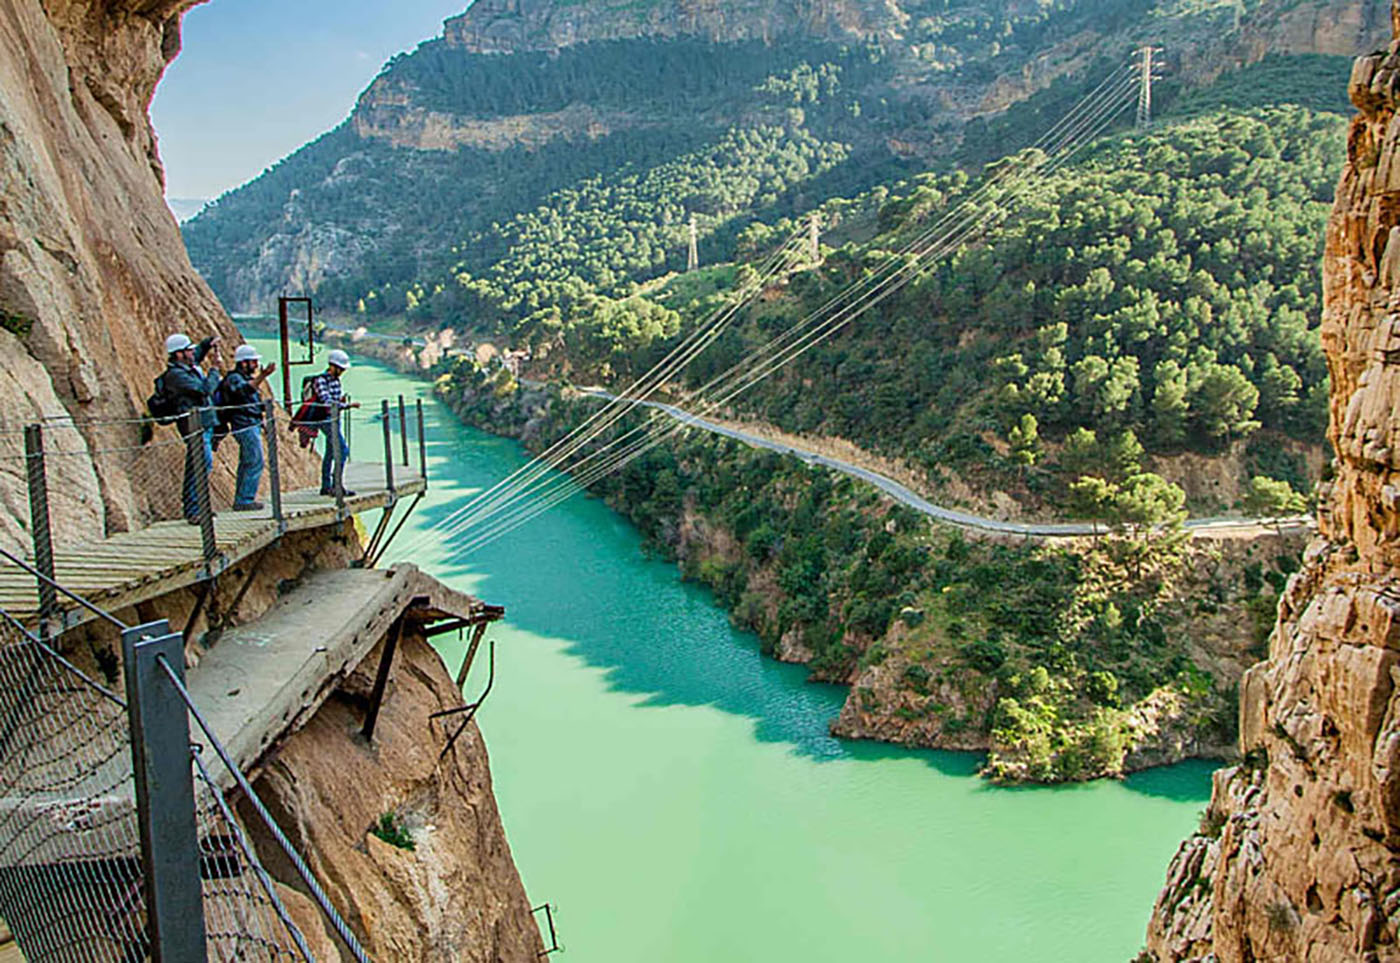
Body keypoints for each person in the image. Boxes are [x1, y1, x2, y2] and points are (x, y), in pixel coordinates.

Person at [161, 332, 221, 523]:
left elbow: (198, 355)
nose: (192, 353)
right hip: (194, 424)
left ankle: (197, 508)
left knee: (199, 463)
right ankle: (194, 509)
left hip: (203, 422)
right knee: (201, 463)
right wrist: (214, 371)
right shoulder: (176, 376)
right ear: (179, 354)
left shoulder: (185, 369)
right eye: (188, 350)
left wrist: (207, 343)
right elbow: (204, 390)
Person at [218, 345, 277, 511]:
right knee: (254, 460)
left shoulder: (241, 378)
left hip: (250, 423)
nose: (256, 364)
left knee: (249, 461)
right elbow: (242, 392)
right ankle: (245, 499)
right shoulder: (235, 379)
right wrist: (262, 376)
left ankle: (243, 498)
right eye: (253, 361)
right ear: (243, 363)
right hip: (244, 424)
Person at [310, 349, 360, 497]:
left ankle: (326, 486)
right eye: (341, 368)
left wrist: (340, 403)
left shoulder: (336, 381)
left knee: (330, 452)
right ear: (332, 366)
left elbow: (334, 401)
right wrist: (347, 406)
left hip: (334, 419)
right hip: (325, 419)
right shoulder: (320, 380)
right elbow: (327, 402)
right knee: (342, 450)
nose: (342, 371)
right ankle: (336, 485)